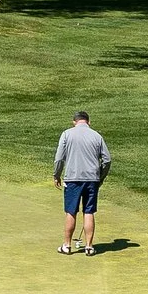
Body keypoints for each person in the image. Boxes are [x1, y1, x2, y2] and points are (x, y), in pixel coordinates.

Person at [51, 109, 111, 255]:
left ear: (74, 122)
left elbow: (59, 158)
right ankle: (89, 247)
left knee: (71, 211)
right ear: (88, 122)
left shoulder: (67, 134)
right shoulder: (97, 136)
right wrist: (100, 177)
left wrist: (56, 175)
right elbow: (107, 160)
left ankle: (66, 245)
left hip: (73, 179)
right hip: (92, 179)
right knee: (89, 211)